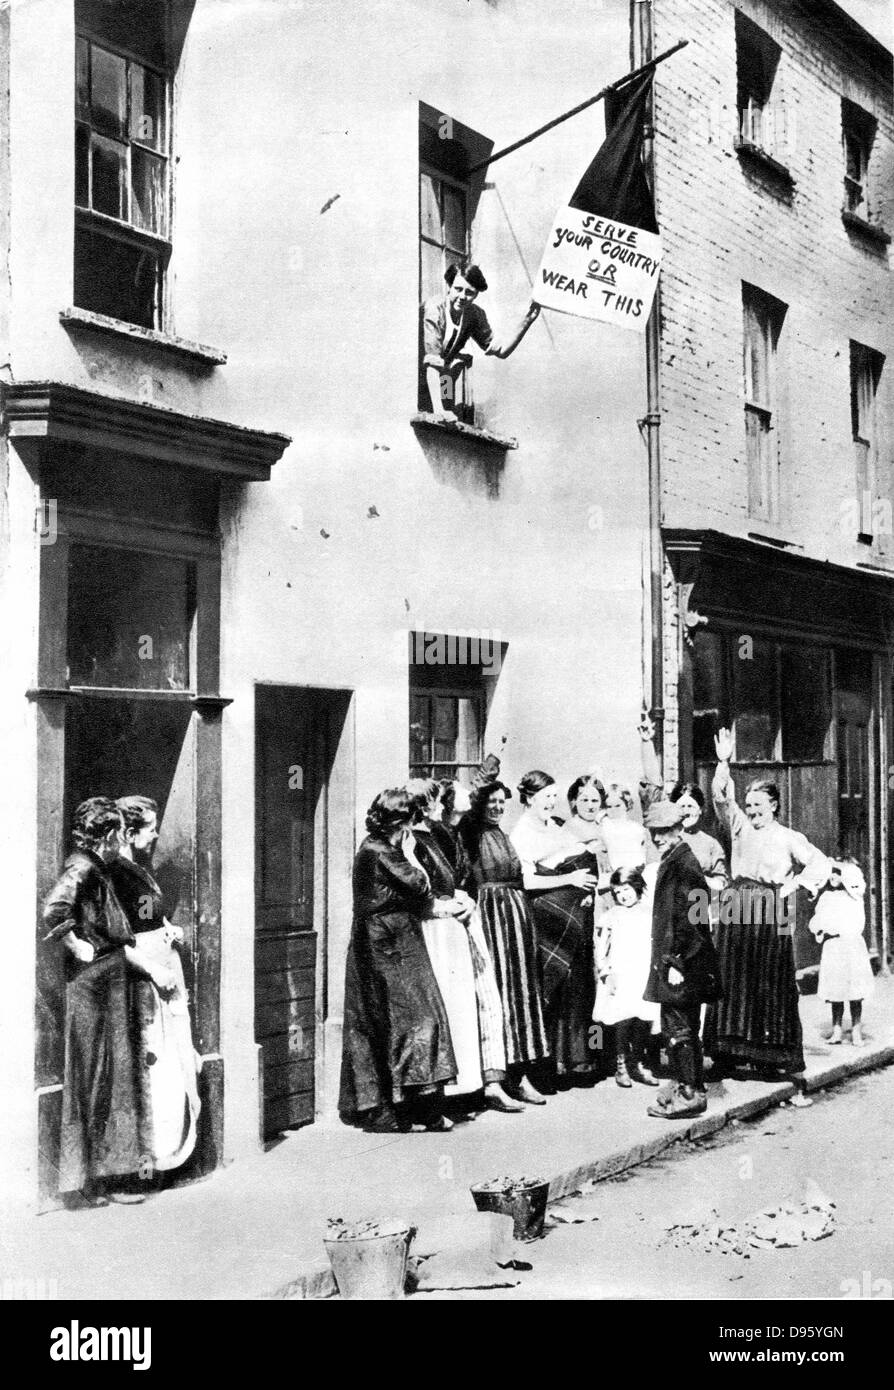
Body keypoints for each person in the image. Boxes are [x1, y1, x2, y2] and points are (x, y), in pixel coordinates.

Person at [43, 798, 174, 1206]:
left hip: (110, 978)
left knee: (114, 1078)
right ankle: (89, 1183)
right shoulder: (82, 866)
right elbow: (54, 908)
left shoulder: (96, 867)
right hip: (94, 981)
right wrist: (75, 942)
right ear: (111, 834)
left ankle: (111, 1176)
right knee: (94, 1078)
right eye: (118, 832)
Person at [709, 728, 831, 1097]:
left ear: (774, 805)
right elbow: (720, 797)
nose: (751, 810)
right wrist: (723, 761)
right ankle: (727, 1053)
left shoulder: (789, 837)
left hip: (769, 909)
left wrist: (790, 887)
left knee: (767, 981)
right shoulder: (739, 827)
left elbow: (820, 865)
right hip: (736, 904)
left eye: (758, 805)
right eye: (749, 805)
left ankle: (766, 1057)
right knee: (730, 979)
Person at [339, 788, 456, 1133]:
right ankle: (395, 1111)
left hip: (393, 939)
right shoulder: (381, 852)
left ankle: (415, 1109)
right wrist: (408, 853)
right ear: (402, 822)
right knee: (407, 1020)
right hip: (385, 945)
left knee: (406, 1020)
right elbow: (421, 885)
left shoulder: (377, 848)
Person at [109, 796, 200, 1179]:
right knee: (152, 1064)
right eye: (150, 827)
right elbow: (120, 936)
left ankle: (167, 1157)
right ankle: (148, 1164)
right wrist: (151, 961)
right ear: (129, 833)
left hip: (163, 970)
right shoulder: (116, 872)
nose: (158, 833)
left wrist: (166, 927)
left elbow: (147, 917)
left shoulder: (137, 869)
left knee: (170, 1061)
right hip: (145, 980)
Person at [459, 765, 549, 1104]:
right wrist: (488, 772)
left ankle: (519, 1075)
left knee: (522, 994)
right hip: (490, 916)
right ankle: (493, 1082)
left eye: (502, 801)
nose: (497, 807)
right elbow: (472, 800)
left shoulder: (502, 833)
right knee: (495, 994)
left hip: (515, 916)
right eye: (492, 801)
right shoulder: (471, 830)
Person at [434, 779, 522, 1112]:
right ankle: (461, 1091)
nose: (470, 798)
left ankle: (492, 1082)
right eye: (462, 793)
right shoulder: (450, 832)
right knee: (462, 1004)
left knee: (488, 999)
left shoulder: (458, 833)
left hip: (468, 921)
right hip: (449, 926)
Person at [509, 770, 600, 1082]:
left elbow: (577, 852)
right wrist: (571, 879)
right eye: (546, 797)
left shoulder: (553, 826)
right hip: (546, 917)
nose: (551, 802)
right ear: (529, 798)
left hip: (572, 913)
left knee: (574, 989)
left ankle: (574, 1062)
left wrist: (585, 886)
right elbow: (526, 880)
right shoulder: (522, 833)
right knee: (551, 988)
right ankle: (548, 1067)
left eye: (554, 796)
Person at [406, 778, 485, 1105]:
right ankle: (435, 1095)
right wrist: (444, 906)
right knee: (442, 1007)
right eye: (436, 802)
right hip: (432, 931)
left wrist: (464, 900)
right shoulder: (412, 840)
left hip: (450, 929)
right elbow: (418, 891)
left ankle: (458, 1089)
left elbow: (450, 879)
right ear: (423, 806)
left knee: (460, 1005)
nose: (442, 806)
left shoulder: (435, 834)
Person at [642, 800, 722, 1119]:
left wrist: (677, 963)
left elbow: (694, 921)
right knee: (678, 1024)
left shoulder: (685, 864)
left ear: (678, 829)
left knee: (679, 1028)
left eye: (664, 832)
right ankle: (686, 1086)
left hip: (683, 963)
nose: (658, 838)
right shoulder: (676, 858)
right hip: (679, 959)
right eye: (654, 832)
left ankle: (689, 1092)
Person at [422, 262, 540, 421]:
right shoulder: (435, 309)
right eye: (458, 289)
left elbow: (502, 350)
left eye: (469, 292)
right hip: (415, 374)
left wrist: (527, 321)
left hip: (439, 378)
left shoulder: (474, 315)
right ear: (449, 286)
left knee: (449, 380)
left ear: (477, 294)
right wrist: (439, 410)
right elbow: (433, 363)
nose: (462, 297)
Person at [593, 867, 661, 1087]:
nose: (623, 895)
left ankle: (638, 1062)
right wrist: (605, 973)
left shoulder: (650, 913)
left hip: (642, 973)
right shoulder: (612, 915)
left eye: (627, 889)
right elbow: (600, 948)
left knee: (642, 1018)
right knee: (623, 1018)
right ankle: (621, 1064)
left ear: (637, 887)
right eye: (618, 891)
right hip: (621, 974)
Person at [809, 858, 874, 1048]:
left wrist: (847, 870)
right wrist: (820, 928)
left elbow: (857, 888)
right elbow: (818, 920)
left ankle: (856, 1029)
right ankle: (837, 1028)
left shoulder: (854, 897)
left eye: (838, 872)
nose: (833, 876)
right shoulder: (827, 897)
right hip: (834, 946)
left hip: (852, 945)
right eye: (831, 872)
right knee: (835, 990)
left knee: (855, 990)